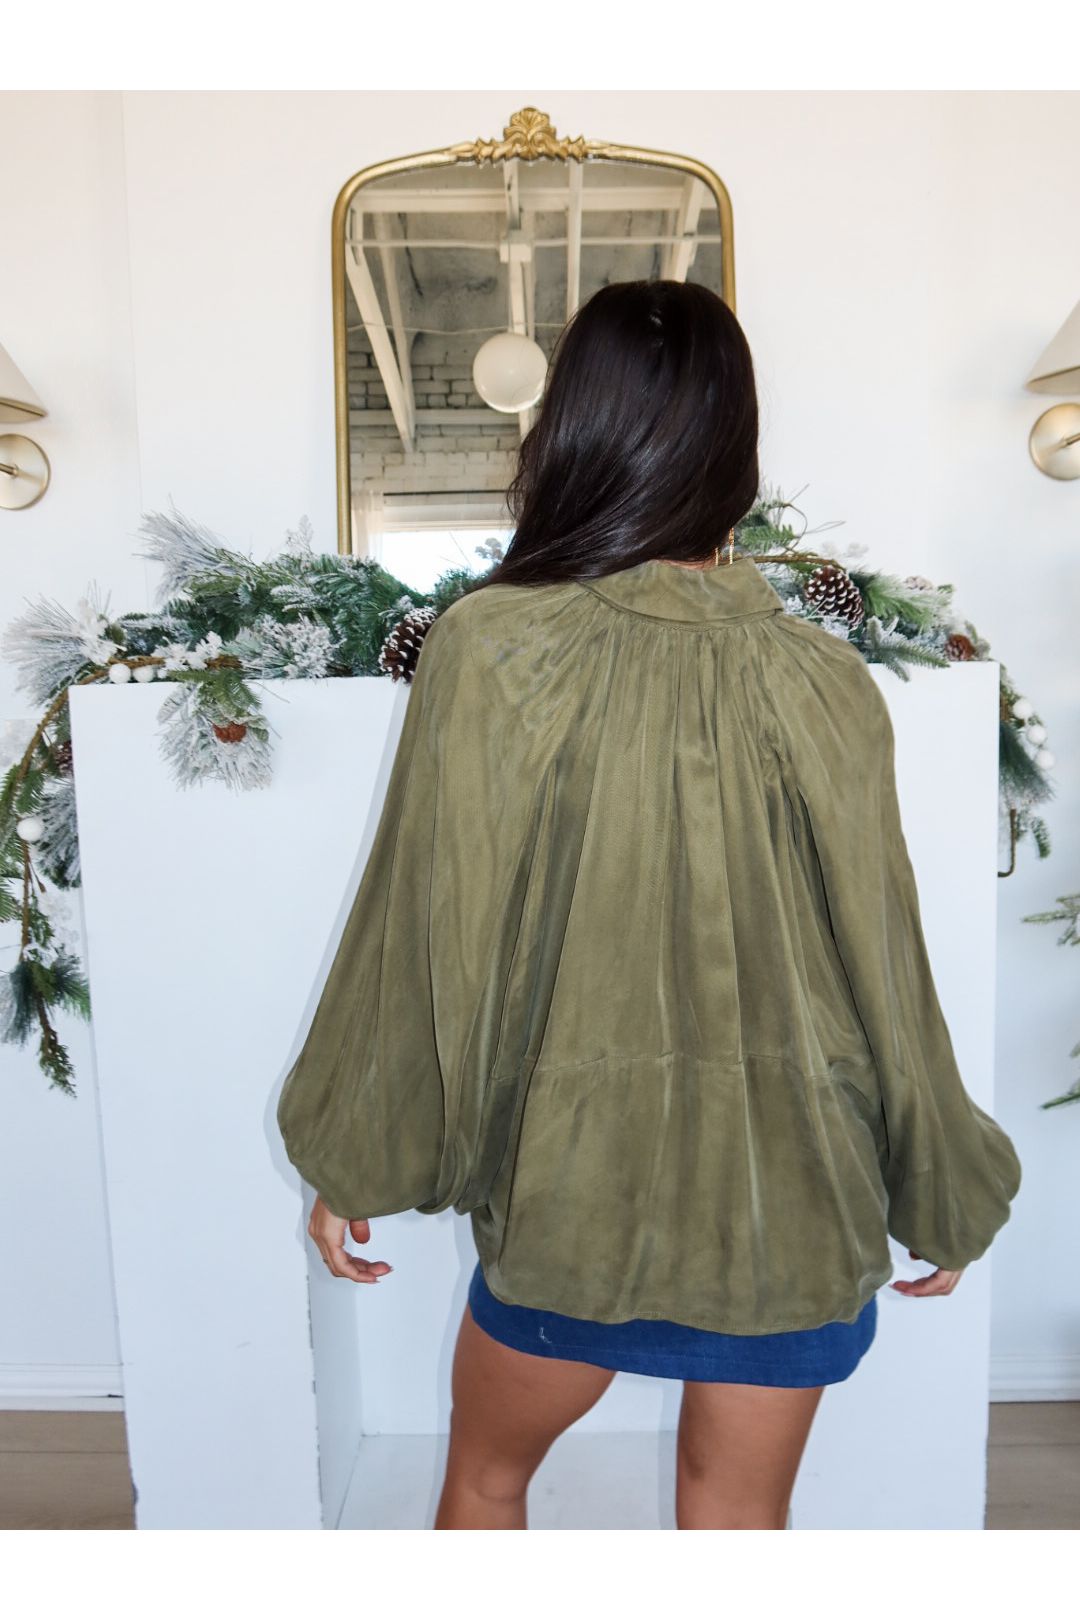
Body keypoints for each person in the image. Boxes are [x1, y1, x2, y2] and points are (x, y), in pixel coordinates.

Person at [277, 279, 1022, 1531]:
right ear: (737, 442)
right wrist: (936, 1177)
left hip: (573, 1196)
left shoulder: (492, 647)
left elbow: (423, 930)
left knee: (485, 1481)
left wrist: (362, 1151)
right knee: (736, 1527)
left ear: (571, 427)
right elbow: (886, 965)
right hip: (795, 1199)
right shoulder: (826, 679)